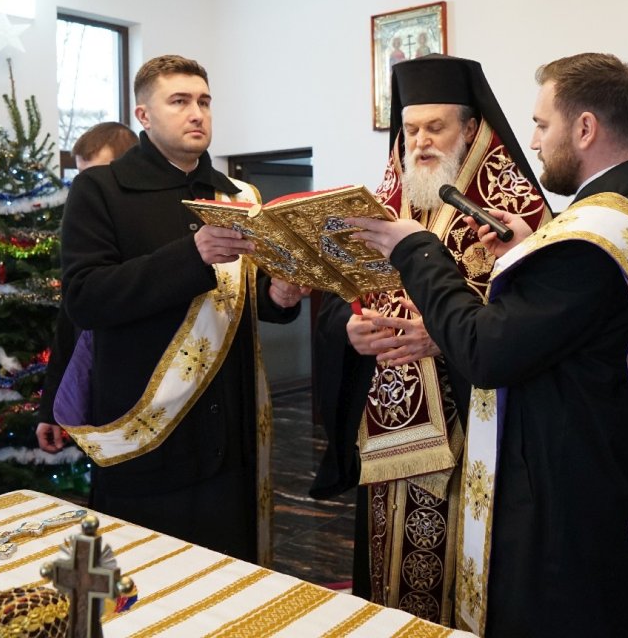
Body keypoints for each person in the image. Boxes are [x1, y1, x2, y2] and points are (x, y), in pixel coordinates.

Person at [348, 52, 628, 636]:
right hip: (625, 463)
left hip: (572, 491)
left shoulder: (589, 239)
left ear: (585, 128)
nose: (534, 140)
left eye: (542, 125)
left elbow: (486, 352)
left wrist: (418, 250)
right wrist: (525, 249)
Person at [311, 54, 549, 625]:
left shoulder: (517, 215)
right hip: (384, 435)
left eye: (435, 128)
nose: (419, 142)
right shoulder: (383, 211)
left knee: (457, 578)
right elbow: (337, 303)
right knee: (384, 580)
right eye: (410, 129)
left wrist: (441, 338)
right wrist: (349, 329)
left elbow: (526, 333)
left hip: (470, 436)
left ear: (471, 130)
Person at [58, 55, 307, 563]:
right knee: (147, 574)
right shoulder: (101, 189)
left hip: (230, 422)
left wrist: (277, 298)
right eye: (180, 101)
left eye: (204, 101)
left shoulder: (237, 195)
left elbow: (239, 295)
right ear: (144, 116)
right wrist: (189, 255)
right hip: (148, 423)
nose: (197, 113)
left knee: (229, 569)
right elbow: (84, 296)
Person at [36, 121, 138, 454]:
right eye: (81, 177)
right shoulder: (85, 229)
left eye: (95, 176)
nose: (86, 189)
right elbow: (69, 326)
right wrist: (51, 406)